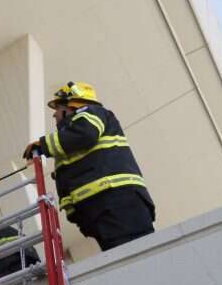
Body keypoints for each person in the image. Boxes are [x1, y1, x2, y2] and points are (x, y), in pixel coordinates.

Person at [22, 81, 155, 251]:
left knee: (136, 256)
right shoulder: (68, 140)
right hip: (104, 207)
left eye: (57, 109)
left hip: (117, 201)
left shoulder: (92, 113)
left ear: (70, 106)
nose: (54, 115)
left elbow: (85, 134)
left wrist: (43, 145)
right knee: (127, 259)